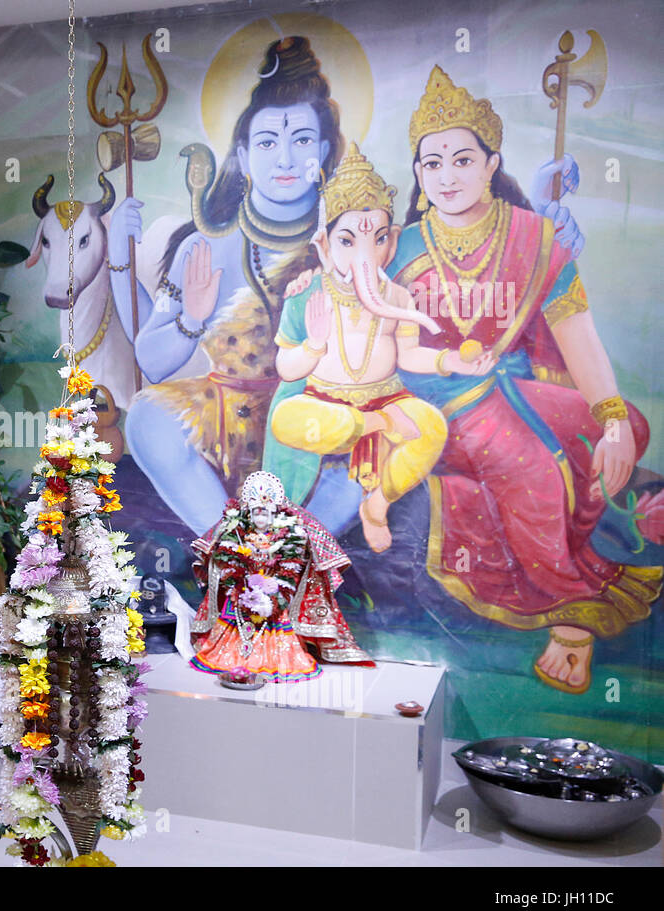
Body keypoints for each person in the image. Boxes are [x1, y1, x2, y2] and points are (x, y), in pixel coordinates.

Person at [386, 66, 659, 694]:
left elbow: (577, 335)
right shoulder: (398, 249)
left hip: (505, 388)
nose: (447, 176)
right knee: (533, 466)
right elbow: (345, 283)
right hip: (434, 401)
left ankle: (581, 537)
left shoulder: (534, 240)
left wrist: (614, 419)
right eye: (432, 164)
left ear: (491, 163)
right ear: (420, 177)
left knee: (628, 426)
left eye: (462, 159)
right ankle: (571, 612)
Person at [110, 37, 343, 534]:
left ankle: (293, 562)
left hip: (316, 413)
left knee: (370, 447)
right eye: (266, 142)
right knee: (149, 419)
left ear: (323, 148)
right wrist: (191, 319)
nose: (283, 158)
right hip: (226, 412)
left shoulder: (348, 238)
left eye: (301, 139)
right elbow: (151, 361)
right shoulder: (208, 245)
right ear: (242, 152)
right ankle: (230, 556)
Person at [270, 144, 471, 552]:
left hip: (386, 396)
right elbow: (287, 369)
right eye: (347, 241)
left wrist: (449, 360)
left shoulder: (397, 298)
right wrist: (314, 344)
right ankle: (374, 428)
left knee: (433, 427)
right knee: (285, 419)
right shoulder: (307, 294)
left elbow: (409, 355)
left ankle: (376, 506)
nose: (364, 254)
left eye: (377, 239)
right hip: (327, 405)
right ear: (325, 246)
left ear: (391, 243)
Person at [189, 471, 372, 679]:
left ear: (273, 514)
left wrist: (273, 585)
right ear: (249, 514)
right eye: (256, 513)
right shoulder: (240, 534)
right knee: (233, 621)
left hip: (273, 593)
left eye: (264, 513)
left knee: (276, 619)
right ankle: (234, 656)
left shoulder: (285, 536)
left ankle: (271, 658)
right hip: (242, 592)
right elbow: (227, 557)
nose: (260, 518)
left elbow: (293, 563)